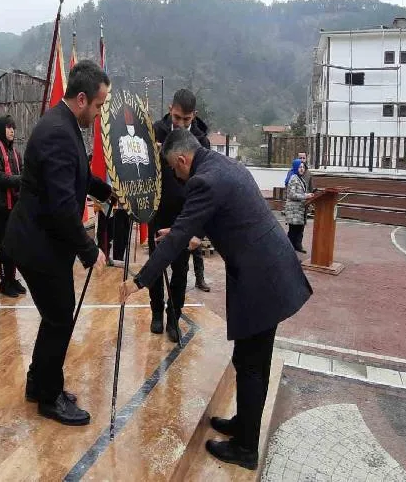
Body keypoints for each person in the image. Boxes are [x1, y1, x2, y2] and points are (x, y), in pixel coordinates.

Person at [120, 129, 312, 470]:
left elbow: (179, 234)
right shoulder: (226, 166)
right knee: (248, 359)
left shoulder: (202, 181)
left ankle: (246, 449)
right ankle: (244, 424)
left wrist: (139, 280)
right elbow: (229, 214)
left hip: (260, 279)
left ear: (182, 159)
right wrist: (192, 237)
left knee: (252, 364)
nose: (177, 178)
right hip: (268, 269)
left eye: (174, 170)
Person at [4, 60, 112, 426]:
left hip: (43, 242)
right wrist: (89, 249)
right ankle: (49, 398)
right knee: (60, 319)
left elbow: (79, 174)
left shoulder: (64, 125)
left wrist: (109, 192)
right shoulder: (57, 132)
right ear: (81, 99)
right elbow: (63, 205)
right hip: (39, 247)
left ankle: (39, 382)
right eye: (98, 106)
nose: (99, 114)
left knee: (54, 319)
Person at [148, 89, 211, 341]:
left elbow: (207, 185)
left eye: (186, 119)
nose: (181, 124)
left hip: (186, 214)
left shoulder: (201, 141)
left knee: (181, 269)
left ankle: (174, 316)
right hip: (157, 209)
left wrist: (199, 229)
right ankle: (156, 313)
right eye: (177, 117)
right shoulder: (154, 131)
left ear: (193, 116)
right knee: (156, 265)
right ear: (169, 109)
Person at [0, 115, 27, 298]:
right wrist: (22, 180)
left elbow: (24, 171)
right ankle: (5, 282)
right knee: (4, 246)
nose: (12, 131)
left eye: (13, 127)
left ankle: (12, 278)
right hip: (3, 207)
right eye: (9, 127)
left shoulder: (15, 153)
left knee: (15, 244)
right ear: (1, 130)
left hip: (16, 206)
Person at [283, 159, 313, 253]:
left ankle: (297, 247)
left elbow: (300, 192)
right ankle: (288, 251)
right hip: (294, 210)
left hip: (300, 210)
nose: (302, 169)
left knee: (299, 230)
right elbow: (292, 194)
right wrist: (305, 196)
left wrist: (308, 195)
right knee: (293, 231)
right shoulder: (293, 178)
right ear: (296, 167)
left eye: (303, 167)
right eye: (300, 167)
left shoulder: (300, 178)